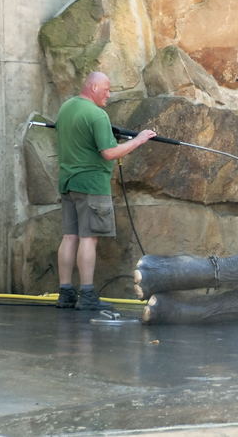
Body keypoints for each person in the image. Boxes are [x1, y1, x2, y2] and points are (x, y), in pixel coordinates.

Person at [55, 72, 157, 310]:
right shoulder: (97, 115)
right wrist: (139, 139)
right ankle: (87, 294)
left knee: (69, 237)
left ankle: (65, 292)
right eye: (106, 90)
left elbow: (80, 139)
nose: (109, 95)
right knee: (88, 239)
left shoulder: (67, 107)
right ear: (92, 87)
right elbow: (109, 153)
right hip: (91, 185)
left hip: (68, 182)